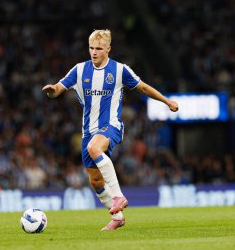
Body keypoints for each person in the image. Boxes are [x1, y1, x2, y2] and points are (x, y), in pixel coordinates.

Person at [43, 29, 178, 230]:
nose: (94, 52)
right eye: (91, 48)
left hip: (111, 125)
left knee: (94, 148)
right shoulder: (79, 70)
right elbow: (58, 89)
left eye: (99, 48)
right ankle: (118, 218)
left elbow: (143, 87)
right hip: (88, 130)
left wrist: (167, 101)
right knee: (96, 181)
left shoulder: (120, 70)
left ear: (108, 49)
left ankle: (118, 196)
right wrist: (52, 91)